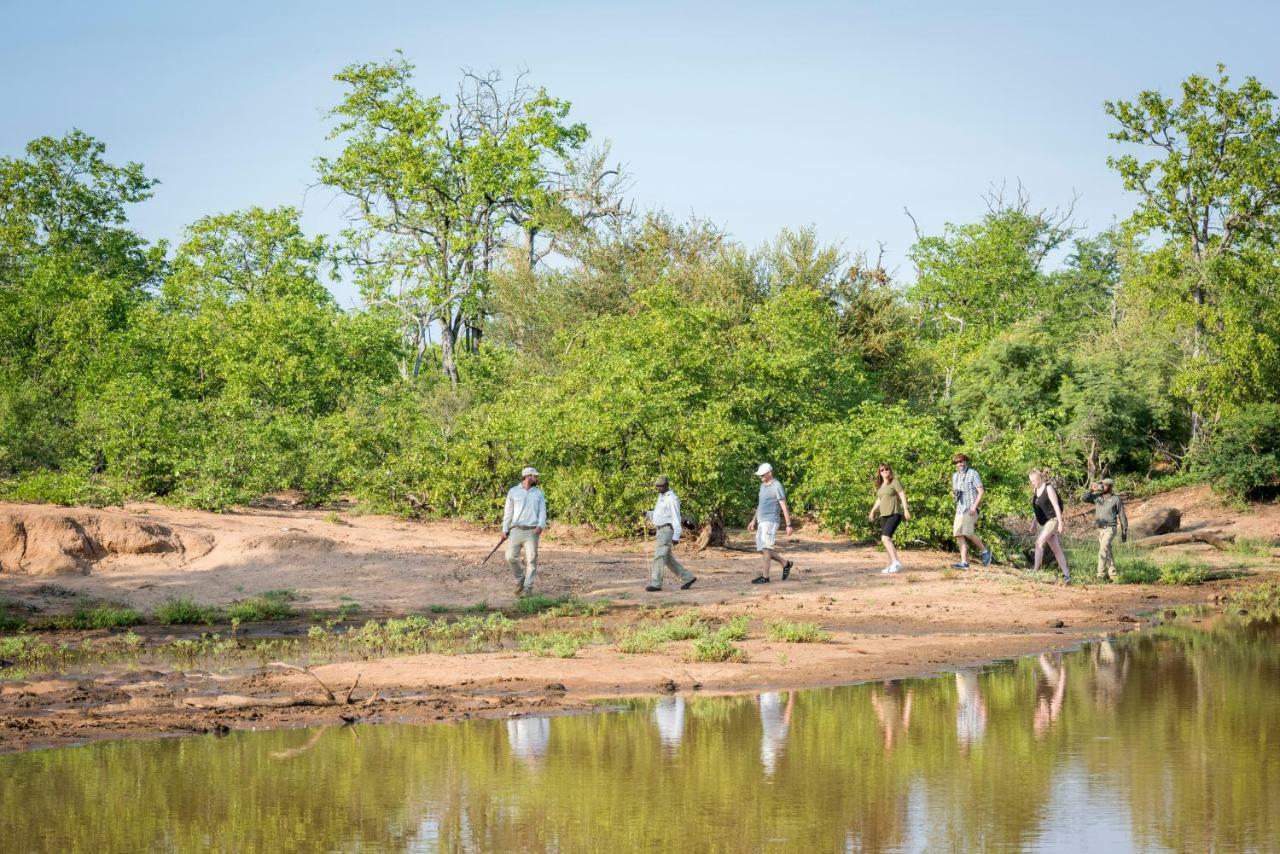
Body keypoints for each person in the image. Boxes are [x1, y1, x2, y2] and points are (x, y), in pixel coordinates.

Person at [645, 475, 696, 592]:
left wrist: (676, 535)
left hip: (667, 530)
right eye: (657, 486)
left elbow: (675, 517)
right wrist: (648, 513)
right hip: (660, 529)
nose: (658, 488)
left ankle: (656, 584)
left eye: (661, 486)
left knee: (659, 556)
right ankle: (688, 578)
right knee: (667, 559)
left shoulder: (672, 498)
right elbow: (661, 513)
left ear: (667, 485)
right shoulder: (661, 497)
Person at [503, 466, 547, 597]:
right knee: (510, 557)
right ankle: (521, 580)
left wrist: (540, 526)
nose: (537, 478)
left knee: (532, 560)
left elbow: (542, 512)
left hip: (532, 531)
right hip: (516, 529)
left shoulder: (539, 493)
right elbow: (508, 512)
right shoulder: (513, 491)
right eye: (535, 476)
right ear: (528, 477)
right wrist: (504, 529)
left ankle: (528, 588)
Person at [747, 463, 794, 584]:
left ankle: (765, 577)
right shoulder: (762, 486)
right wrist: (753, 520)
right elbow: (760, 504)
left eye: (762, 475)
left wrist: (789, 525)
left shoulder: (777, 486)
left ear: (769, 473)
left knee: (766, 548)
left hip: (771, 520)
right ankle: (785, 563)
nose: (760, 477)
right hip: (761, 521)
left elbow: (783, 505)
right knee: (761, 549)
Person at [1082, 477, 1128, 582]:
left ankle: (1100, 575)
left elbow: (1122, 515)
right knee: (1107, 551)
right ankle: (1113, 575)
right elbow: (1084, 498)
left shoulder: (1116, 499)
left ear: (1110, 486)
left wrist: (1124, 531)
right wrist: (1091, 490)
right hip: (1100, 529)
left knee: (1103, 550)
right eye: (1101, 484)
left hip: (1110, 528)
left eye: (1105, 485)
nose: (1102, 486)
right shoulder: (1097, 497)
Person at [950, 453, 992, 569]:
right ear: (955, 465)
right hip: (959, 509)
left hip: (970, 509)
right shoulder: (955, 476)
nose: (960, 464)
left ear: (965, 462)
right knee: (958, 534)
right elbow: (955, 493)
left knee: (968, 532)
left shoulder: (973, 473)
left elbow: (981, 491)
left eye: (962, 461)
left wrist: (974, 507)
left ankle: (985, 552)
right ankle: (964, 563)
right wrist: (954, 494)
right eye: (958, 462)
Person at [868, 463, 911, 574]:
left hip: (894, 513)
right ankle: (891, 565)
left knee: (885, 538)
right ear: (880, 473)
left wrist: (905, 509)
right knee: (887, 540)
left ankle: (896, 562)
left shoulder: (894, 482)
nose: (885, 471)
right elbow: (879, 499)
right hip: (884, 515)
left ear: (890, 470)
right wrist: (872, 511)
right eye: (882, 470)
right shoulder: (881, 485)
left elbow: (902, 494)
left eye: (887, 469)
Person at [1029, 469, 1070, 581]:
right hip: (1045, 522)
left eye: (1034, 480)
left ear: (1040, 478)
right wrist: (1034, 523)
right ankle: (1067, 575)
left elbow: (1056, 506)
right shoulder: (1035, 490)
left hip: (1053, 520)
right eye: (1031, 481)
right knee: (1056, 549)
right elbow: (1038, 509)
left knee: (1039, 543)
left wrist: (1061, 523)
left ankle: (1035, 572)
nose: (1033, 483)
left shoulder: (1048, 488)